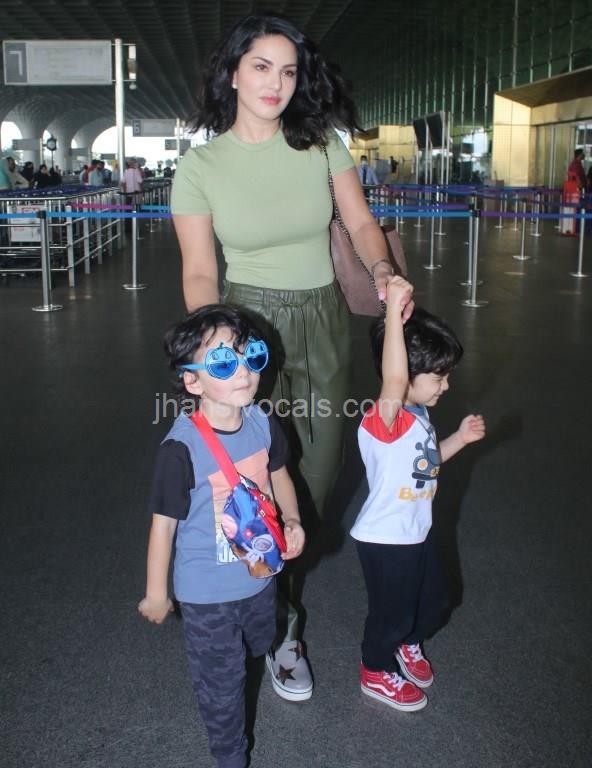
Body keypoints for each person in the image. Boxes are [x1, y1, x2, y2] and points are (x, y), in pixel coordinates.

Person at [170, 13, 413, 701]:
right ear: (233, 74)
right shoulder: (201, 167)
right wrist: (213, 354)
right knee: (255, 475)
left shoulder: (322, 145)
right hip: (246, 327)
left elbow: (360, 221)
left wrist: (383, 268)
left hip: (323, 319)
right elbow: (199, 271)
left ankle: (277, 588)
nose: (275, 83)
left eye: (288, 70)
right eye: (261, 67)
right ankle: (284, 630)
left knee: (318, 476)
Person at [138, 304, 305, 768]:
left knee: (260, 640)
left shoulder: (262, 422)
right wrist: (157, 593)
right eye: (223, 363)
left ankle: (258, 653)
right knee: (223, 683)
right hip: (206, 593)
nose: (244, 371)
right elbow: (163, 525)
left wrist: (292, 519)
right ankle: (231, 755)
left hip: (259, 576)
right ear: (193, 382)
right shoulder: (181, 449)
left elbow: (280, 474)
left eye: (250, 355)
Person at [352, 277, 486, 712]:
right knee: (391, 614)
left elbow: (425, 464)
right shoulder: (384, 419)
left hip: (416, 531)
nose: (445, 385)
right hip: (386, 540)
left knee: (437, 600)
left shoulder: (419, 415)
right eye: (439, 376)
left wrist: (459, 440)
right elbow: (394, 376)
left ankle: (407, 642)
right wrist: (392, 312)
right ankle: (375, 669)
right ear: (406, 376)